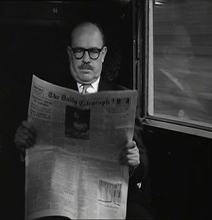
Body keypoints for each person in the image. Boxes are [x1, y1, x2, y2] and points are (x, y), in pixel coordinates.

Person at [14, 21, 153, 220]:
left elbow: (143, 168)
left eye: (93, 51)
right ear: (70, 53)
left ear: (103, 54)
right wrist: (23, 146)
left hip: (106, 199)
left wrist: (134, 163)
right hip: (61, 200)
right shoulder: (48, 94)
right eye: (79, 51)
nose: (86, 59)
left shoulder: (123, 97)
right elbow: (33, 164)